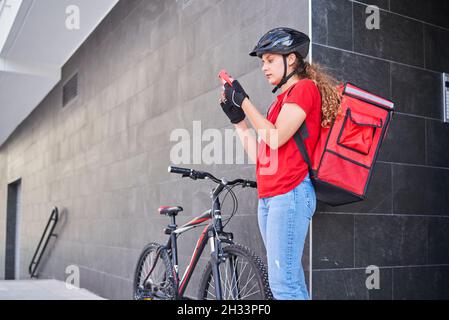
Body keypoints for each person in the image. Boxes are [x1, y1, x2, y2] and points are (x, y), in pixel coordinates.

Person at [219, 27, 342, 300]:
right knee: (290, 283)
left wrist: (245, 101)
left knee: (283, 286)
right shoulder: (279, 103)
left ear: (292, 59)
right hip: (270, 198)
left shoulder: (305, 89)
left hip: (291, 194)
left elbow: (274, 138)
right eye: (262, 61)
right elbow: (262, 157)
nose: (264, 67)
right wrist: (238, 120)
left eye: (270, 59)